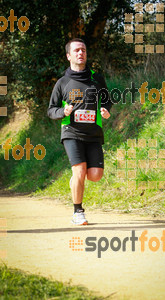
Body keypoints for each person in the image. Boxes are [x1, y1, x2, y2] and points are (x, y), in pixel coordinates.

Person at [47, 38, 112, 225]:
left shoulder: (97, 79)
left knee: (95, 175)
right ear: (69, 56)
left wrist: (106, 110)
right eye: (76, 50)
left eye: (83, 50)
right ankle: (78, 212)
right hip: (71, 132)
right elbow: (51, 109)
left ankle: (75, 180)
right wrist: (62, 111)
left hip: (93, 133)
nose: (80, 53)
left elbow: (107, 100)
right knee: (80, 170)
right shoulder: (62, 83)